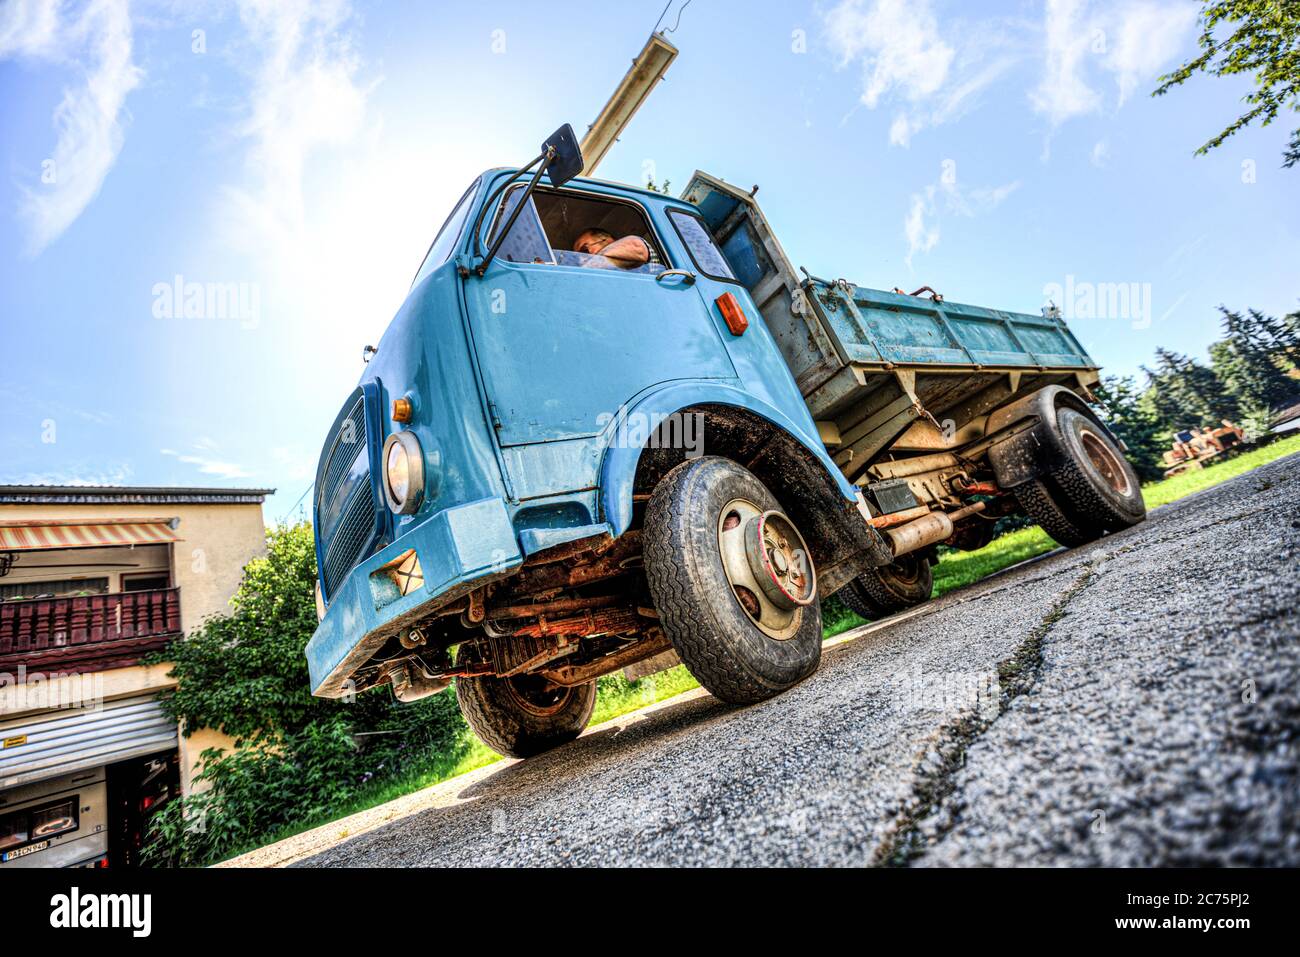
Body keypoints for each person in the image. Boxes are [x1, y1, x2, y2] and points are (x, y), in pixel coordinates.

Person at [572, 228, 651, 269]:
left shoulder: (633, 247)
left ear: (608, 241)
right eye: (576, 258)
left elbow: (636, 246)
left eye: (584, 251)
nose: (580, 260)